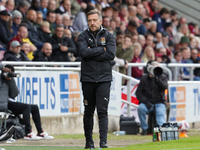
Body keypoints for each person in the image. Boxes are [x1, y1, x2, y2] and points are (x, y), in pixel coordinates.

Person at [77, 9, 116, 149]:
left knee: (102, 111)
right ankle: (89, 142)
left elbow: (111, 54)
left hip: (104, 79)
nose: (92, 23)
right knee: (88, 112)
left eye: (94, 20)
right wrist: (101, 49)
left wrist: (92, 51)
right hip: (87, 79)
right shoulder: (82, 36)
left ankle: (103, 142)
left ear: (100, 21)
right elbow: (83, 52)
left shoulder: (109, 36)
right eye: (90, 21)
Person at [2, 64, 54, 140]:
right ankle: (28, 132)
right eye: (7, 72)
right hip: (3, 103)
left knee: (34, 107)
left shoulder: (10, 80)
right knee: (26, 107)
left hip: (9, 102)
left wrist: (11, 80)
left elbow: (15, 93)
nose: (9, 74)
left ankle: (40, 132)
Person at [136, 61, 168, 135]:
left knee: (160, 113)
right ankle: (144, 128)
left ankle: (161, 130)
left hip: (159, 102)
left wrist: (157, 78)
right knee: (141, 108)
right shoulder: (144, 78)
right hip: (147, 103)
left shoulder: (163, 77)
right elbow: (138, 93)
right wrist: (146, 102)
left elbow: (164, 87)